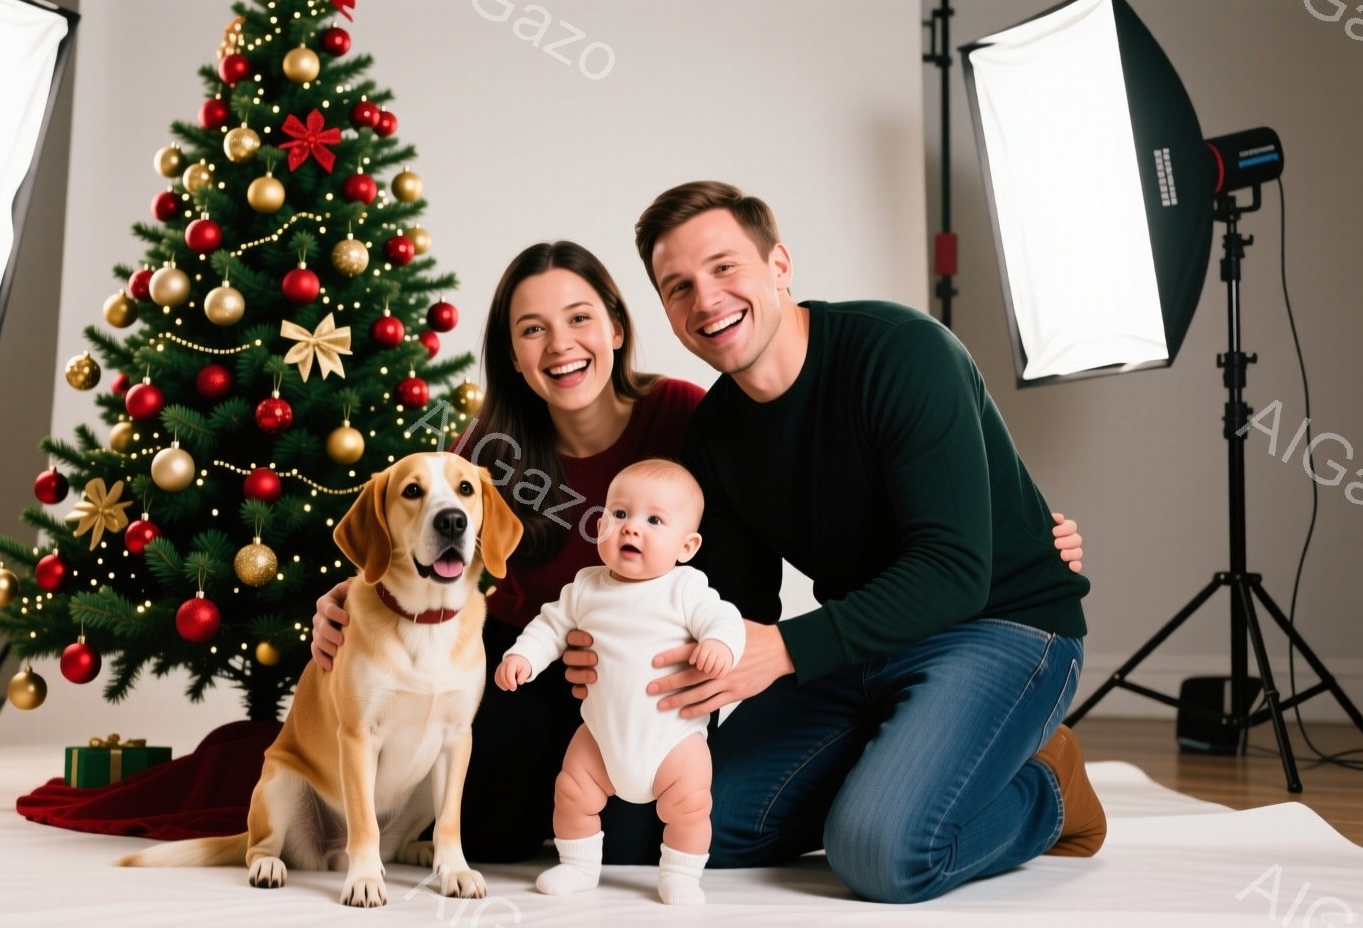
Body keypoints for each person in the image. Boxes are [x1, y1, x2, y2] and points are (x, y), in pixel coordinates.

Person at [309, 237, 1090, 876]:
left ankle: (1016, 782)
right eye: (531, 329)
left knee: (858, 844)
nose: (559, 345)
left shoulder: (692, 423)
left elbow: (741, 592)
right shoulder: (489, 453)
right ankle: (903, 764)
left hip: (645, 682)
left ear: (617, 327)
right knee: (559, 835)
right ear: (511, 355)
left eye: (579, 318)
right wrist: (349, 597)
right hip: (539, 676)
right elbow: (418, 548)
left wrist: (1017, 529)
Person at [562, 180, 1104, 903]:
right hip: (863, 647)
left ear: (779, 265)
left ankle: (1047, 788)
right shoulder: (716, 433)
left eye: (725, 267)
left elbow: (953, 572)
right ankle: (901, 765)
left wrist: (786, 650)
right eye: (679, 286)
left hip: (1001, 629)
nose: (706, 299)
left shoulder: (903, 354)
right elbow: (730, 603)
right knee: (667, 824)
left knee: (880, 854)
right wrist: (620, 641)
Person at [496, 459, 746, 905]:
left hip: (672, 738)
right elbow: (549, 626)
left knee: (690, 805)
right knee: (572, 790)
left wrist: (721, 645)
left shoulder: (685, 588)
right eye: (619, 514)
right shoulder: (585, 586)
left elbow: (723, 618)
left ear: (686, 546)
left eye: (654, 520)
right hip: (600, 736)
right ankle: (577, 865)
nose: (631, 529)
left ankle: (681, 874)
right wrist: (523, 657)